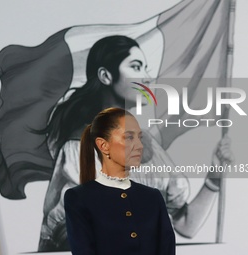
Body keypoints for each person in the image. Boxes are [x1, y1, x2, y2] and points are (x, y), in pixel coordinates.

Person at [38, 35, 233, 251]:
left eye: (145, 68)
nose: (147, 77)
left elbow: (186, 225)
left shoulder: (148, 146)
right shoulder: (79, 146)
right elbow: (69, 237)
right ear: (105, 75)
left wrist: (215, 176)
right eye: (136, 66)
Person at [65, 107, 175, 255]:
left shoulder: (153, 197)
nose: (140, 146)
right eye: (129, 137)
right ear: (103, 145)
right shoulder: (79, 198)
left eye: (139, 138)